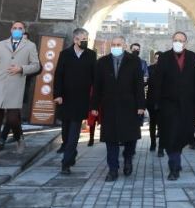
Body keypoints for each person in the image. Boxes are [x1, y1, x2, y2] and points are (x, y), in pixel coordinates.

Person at [0, 22, 41, 168]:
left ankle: (19, 138)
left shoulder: (30, 46)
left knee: (12, 118)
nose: (17, 30)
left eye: (20, 28)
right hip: (0, 85)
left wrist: (21, 68)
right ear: (11, 30)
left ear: (24, 31)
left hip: (16, 86)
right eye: (15, 28)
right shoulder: (1, 45)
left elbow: (36, 65)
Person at [90, 36, 146, 181]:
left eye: (118, 44)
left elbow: (139, 85)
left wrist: (141, 105)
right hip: (109, 106)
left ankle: (128, 159)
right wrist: (94, 106)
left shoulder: (134, 61)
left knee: (130, 136)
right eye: (113, 44)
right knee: (111, 139)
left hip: (130, 105)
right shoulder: (102, 62)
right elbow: (97, 86)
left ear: (125, 46)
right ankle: (113, 169)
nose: (116, 47)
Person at [149, 32, 195, 180]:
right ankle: (174, 167)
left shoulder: (192, 57)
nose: (178, 42)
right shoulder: (164, 57)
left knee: (184, 134)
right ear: (172, 41)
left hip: (188, 105)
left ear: (186, 43)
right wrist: (156, 102)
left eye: (181, 40)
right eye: (176, 40)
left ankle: (176, 157)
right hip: (168, 105)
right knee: (170, 135)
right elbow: (157, 81)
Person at [53, 28, 97, 175]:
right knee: (66, 131)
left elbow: (95, 77)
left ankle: (65, 163)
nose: (85, 41)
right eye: (82, 39)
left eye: (86, 39)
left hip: (81, 99)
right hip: (65, 99)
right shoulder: (65, 54)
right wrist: (57, 94)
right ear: (75, 40)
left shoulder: (91, 55)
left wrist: (94, 98)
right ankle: (70, 152)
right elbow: (58, 75)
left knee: (74, 132)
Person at [0, 32, 36, 149]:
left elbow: (38, 68)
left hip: (21, 86)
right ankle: (19, 136)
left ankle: (2, 138)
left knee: (12, 113)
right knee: (14, 113)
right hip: (8, 85)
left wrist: (23, 70)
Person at [146, 52, 163, 155]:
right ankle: (153, 143)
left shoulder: (168, 69)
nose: (158, 60)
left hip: (163, 102)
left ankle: (161, 147)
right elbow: (144, 82)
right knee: (152, 123)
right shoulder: (149, 69)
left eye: (160, 58)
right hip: (151, 101)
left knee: (162, 125)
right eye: (156, 58)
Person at [130, 43, 148, 126]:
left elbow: (146, 77)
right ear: (131, 50)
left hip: (139, 92)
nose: (136, 51)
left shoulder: (143, 63)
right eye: (134, 49)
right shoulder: (126, 62)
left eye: (137, 49)